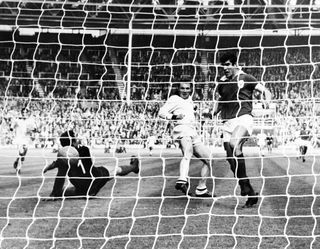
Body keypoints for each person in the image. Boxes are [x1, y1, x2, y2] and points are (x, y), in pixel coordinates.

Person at [213, 52, 272, 208]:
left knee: (235, 144)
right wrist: (212, 112)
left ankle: (245, 187)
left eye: (227, 65)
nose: (224, 68)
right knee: (231, 159)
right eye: (222, 65)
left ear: (234, 64)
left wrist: (266, 103)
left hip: (243, 118)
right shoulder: (222, 81)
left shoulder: (246, 78)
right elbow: (221, 100)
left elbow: (266, 91)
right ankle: (249, 190)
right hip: (227, 122)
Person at [43, 130, 140, 199]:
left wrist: (53, 193)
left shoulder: (64, 159)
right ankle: (134, 166)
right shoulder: (84, 149)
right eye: (75, 140)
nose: (77, 141)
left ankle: (57, 193)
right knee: (116, 170)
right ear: (73, 142)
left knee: (62, 190)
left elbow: (60, 175)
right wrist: (54, 164)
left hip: (83, 189)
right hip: (96, 179)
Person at [159, 82, 213, 197]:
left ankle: (201, 188)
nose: (185, 90)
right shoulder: (174, 98)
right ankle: (182, 180)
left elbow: (189, 109)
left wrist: (195, 109)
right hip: (182, 129)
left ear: (191, 89)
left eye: (187, 88)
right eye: (182, 88)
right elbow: (161, 112)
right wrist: (174, 117)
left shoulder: (189, 100)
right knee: (188, 153)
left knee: (209, 158)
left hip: (193, 131)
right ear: (178, 89)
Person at [10, 107, 38, 174]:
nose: (24, 113)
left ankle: (17, 161)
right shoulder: (17, 120)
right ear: (21, 113)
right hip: (19, 139)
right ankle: (18, 168)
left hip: (26, 139)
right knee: (21, 152)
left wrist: (32, 130)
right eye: (23, 112)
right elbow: (11, 127)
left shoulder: (30, 121)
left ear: (28, 113)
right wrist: (12, 128)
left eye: (25, 112)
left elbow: (35, 129)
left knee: (23, 155)